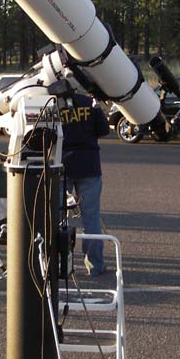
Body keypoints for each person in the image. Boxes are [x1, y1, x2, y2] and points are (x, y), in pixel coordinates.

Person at [60, 91, 110, 277]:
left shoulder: (52, 103)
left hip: (62, 166)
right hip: (89, 165)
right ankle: (95, 265)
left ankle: (59, 264)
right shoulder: (89, 102)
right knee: (91, 219)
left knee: (58, 219)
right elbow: (103, 130)